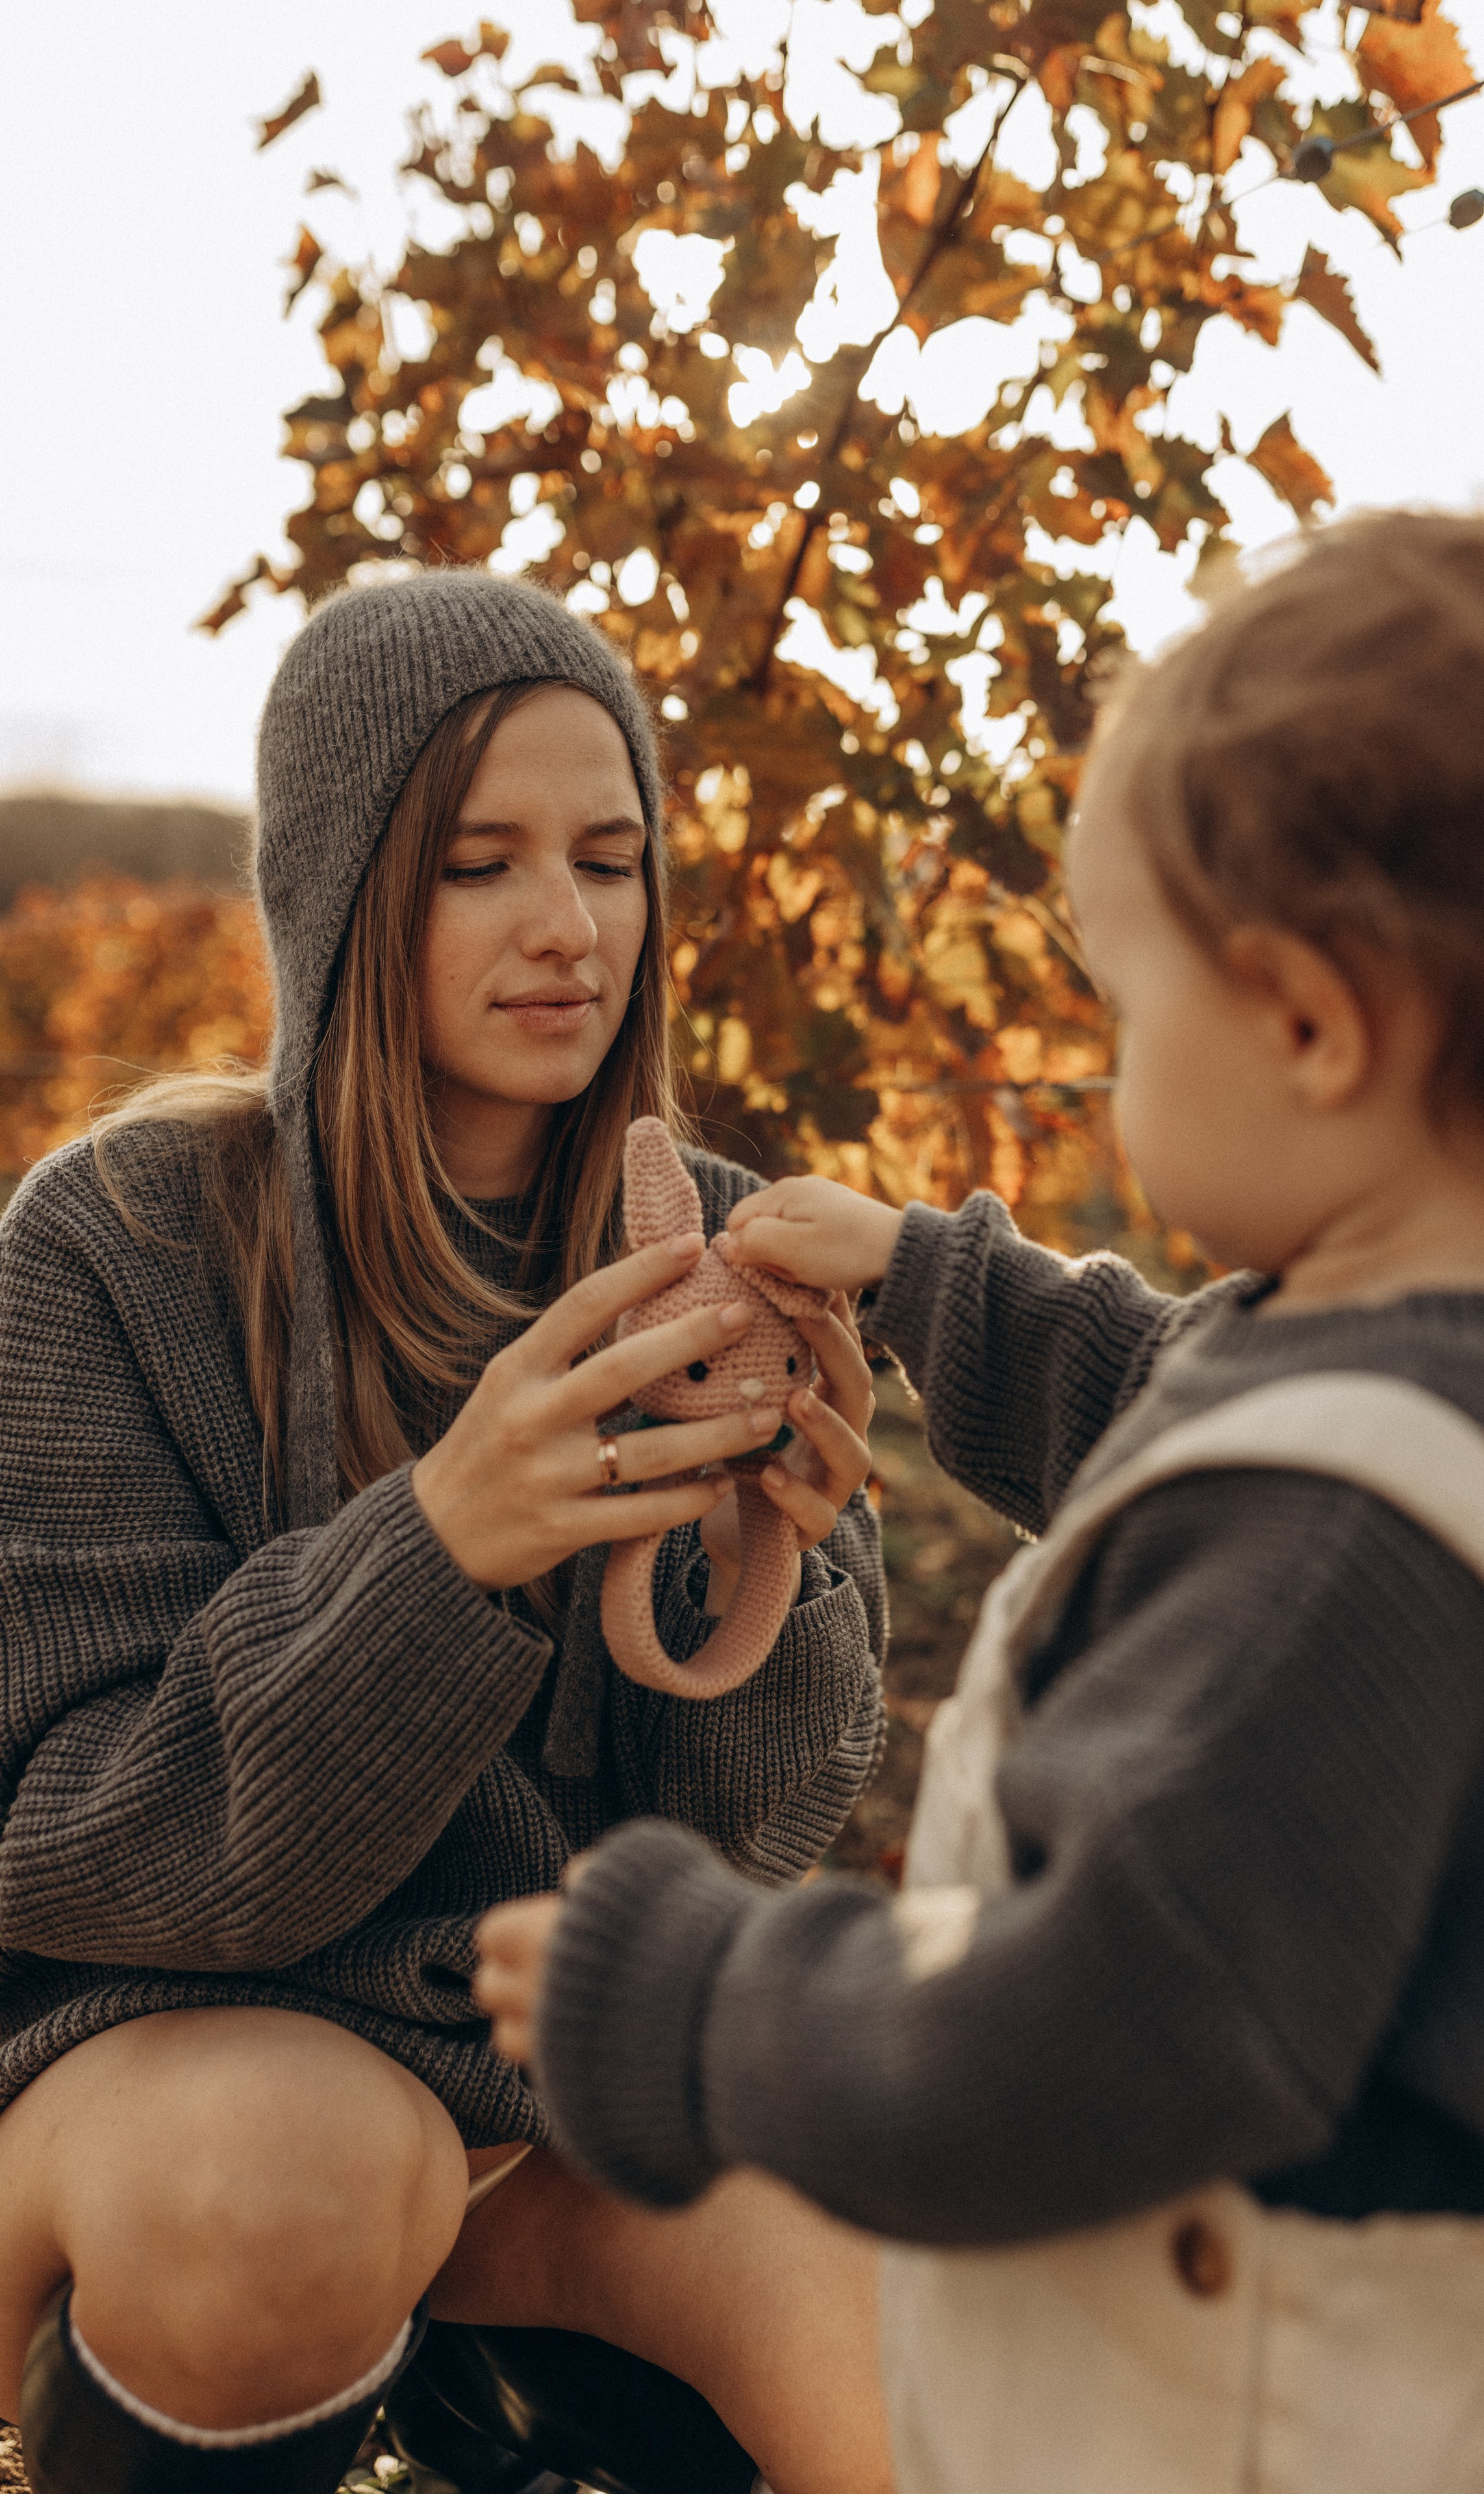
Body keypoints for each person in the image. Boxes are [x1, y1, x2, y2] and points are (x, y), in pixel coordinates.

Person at [478, 512, 1484, 2494]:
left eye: (1128, 1004)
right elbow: (1191, 1396)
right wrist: (935, 1280)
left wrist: (687, 1992)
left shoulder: (1335, 1575)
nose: (1114, 1068)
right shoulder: (1474, 1350)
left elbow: (1069, 2039)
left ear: (1305, 1024)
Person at [0, 573, 894, 2494]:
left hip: (549, 2094)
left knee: (921, 2293)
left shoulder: (716, 1247)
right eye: (479, 863)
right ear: (343, 893)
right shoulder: (118, 1247)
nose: (569, 929)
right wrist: (444, 1548)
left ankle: (503, 2389)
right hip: (171, 2074)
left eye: (612, 858)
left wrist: (777, 1586)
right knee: (291, 2174)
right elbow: (58, 1840)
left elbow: (731, 1850)